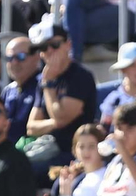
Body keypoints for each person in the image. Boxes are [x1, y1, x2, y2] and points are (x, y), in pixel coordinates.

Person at [25, 22, 97, 170]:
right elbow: (31, 127)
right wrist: (54, 123)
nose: (50, 51)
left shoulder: (80, 76)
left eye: (55, 45)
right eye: (44, 47)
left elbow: (62, 118)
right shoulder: (44, 79)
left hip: (74, 152)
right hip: (48, 147)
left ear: (68, 45)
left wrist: (49, 86)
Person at [53, 123, 107, 196]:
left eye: (91, 146)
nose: (86, 151)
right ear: (74, 150)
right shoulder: (79, 180)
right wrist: (65, 192)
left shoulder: (108, 174)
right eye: (81, 147)